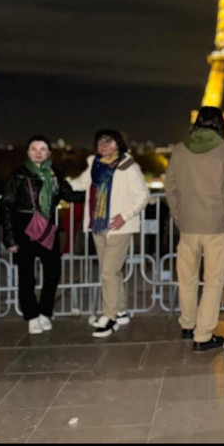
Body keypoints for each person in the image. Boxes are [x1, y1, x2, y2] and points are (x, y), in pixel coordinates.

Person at [165, 106, 224, 352]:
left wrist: (179, 218)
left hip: (188, 226)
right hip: (216, 225)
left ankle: (187, 324)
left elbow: (170, 189)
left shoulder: (179, 150)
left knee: (186, 278)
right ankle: (203, 334)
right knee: (213, 282)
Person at [70, 130, 149, 337]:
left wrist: (125, 215)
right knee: (112, 272)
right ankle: (120, 311)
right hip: (98, 224)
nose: (103, 146)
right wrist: (55, 185)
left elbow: (143, 195)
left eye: (109, 142)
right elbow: (79, 184)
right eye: (100, 142)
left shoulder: (128, 167)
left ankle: (109, 317)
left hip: (119, 226)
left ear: (118, 145)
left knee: (107, 271)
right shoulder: (94, 166)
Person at [2, 135, 84, 334]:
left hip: (48, 229)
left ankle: (45, 312)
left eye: (42, 149)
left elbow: (69, 195)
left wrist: (96, 192)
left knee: (53, 273)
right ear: (28, 152)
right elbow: (7, 207)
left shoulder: (55, 174)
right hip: (24, 230)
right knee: (26, 277)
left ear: (49, 153)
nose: (38, 153)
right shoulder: (17, 175)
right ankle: (31, 316)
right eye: (34, 149)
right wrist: (10, 238)